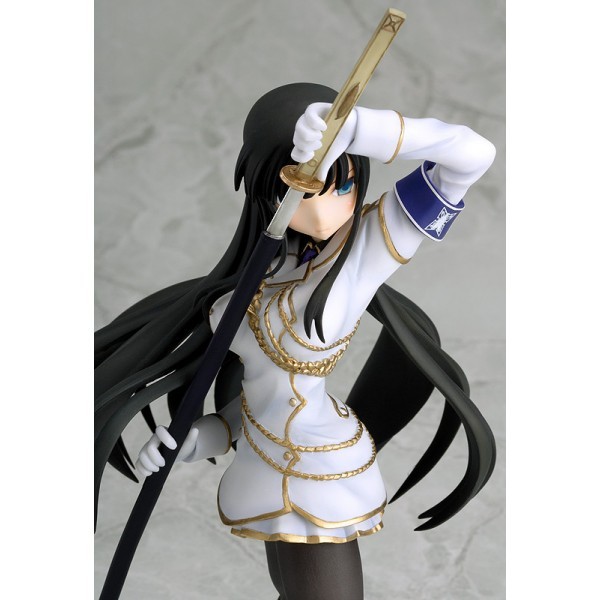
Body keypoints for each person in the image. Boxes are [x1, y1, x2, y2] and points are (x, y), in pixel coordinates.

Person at [95, 82, 496, 600]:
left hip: (323, 472)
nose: (327, 209)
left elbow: (472, 155)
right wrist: (194, 439)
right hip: (262, 468)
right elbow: (256, 398)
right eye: (306, 189)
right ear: (267, 188)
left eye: (342, 186)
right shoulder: (248, 284)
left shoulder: (363, 252)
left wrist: (361, 128)